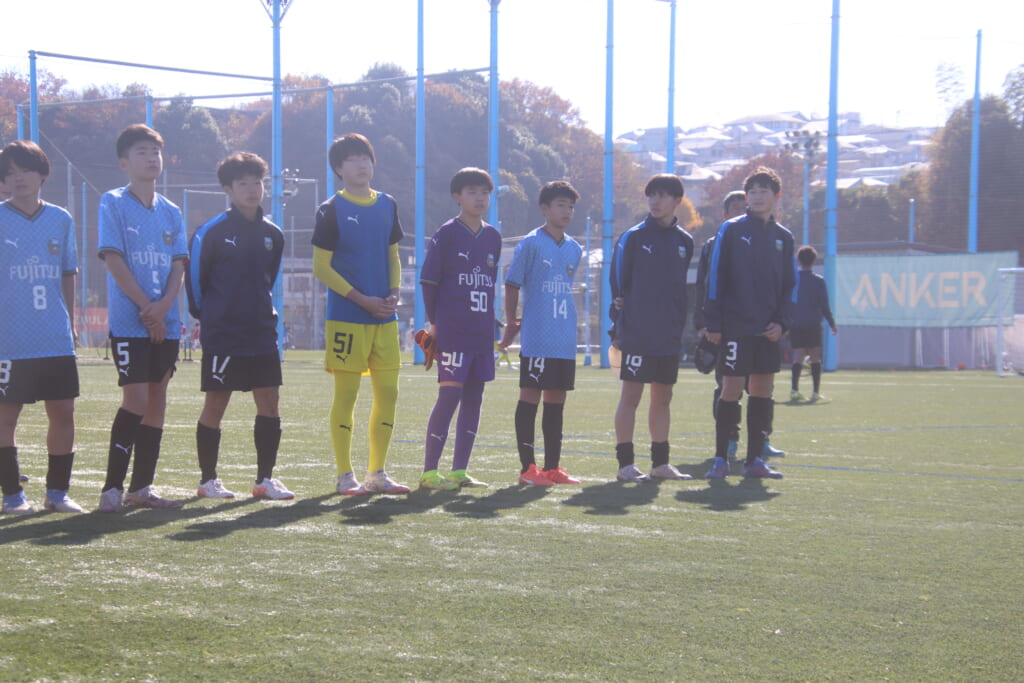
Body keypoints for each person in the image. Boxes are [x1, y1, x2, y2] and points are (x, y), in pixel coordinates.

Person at [186, 152, 293, 501]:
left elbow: (268, 279)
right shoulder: (211, 232)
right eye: (243, 183)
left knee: (270, 403)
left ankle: (265, 480)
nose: (252, 189)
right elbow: (195, 283)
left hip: (261, 332)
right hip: (223, 334)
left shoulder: (273, 234)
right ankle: (208, 481)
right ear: (228, 189)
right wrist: (211, 317)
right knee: (216, 403)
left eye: (257, 182)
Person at [312, 134, 409, 496]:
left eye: (365, 157)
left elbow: (393, 256)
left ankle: (377, 473)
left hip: (384, 317)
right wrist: (360, 298)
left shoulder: (387, 204)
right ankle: (344, 476)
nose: (362, 164)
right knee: (347, 395)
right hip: (347, 317)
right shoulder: (330, 209)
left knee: (389, 393)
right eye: (352, 159)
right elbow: (321, 268)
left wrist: (394, 292)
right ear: (339, 168)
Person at [97, 124, 187, 511]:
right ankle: (111, 488)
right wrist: (146, 307)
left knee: (157, 398)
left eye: (155, 151)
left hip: (166, 321)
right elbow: (113, 258)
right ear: (124, 162)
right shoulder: (113, 202)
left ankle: (141, 488)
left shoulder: (171, 211)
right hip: (129, 319)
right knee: (135, 398)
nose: (151, 158)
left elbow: (178, 264)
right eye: (142, 152)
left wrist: (164, 305)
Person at [0, 141, 82, 514]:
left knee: (63, 412)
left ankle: (57, 494)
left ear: (43, 174)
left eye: (26, 170)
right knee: (6, 417)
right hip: (9, 339)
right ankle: (13, 496)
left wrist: (71, 320)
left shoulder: (61, 219)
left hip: (54, 336)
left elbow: (68, 273)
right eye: (10, 173)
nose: (18, 178)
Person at [703, 167, 795, 480]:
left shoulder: (784, 237)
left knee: (762, 391)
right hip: (736, 327)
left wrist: (782, 323)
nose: (756, 197)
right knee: (731, 388)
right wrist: (713, 321)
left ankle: (754, 460)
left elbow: (789, 286)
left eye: (763, 191)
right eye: (752, 192)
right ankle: (720, 459)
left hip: (768, 331)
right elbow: (715, 276)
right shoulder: (731, 230)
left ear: (776, 196)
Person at [417, 167, 502, 491]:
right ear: (457, 197)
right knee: (449, 395)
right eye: (472, 192)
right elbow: (429, 281)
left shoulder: (493, 237)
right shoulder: (447, 233)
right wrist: (434, 323)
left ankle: (459, 471)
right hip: (452, 330)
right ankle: (429, 472)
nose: (480, 198)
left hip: (481, 333)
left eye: (485, 192)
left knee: (474, 399)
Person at [609, 174, 694, 483]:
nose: (655, 201)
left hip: (668, 335)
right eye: (651, 195)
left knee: (663, 397)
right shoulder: (633, 237)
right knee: (631, 396)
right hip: (637, 333)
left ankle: (660, 464)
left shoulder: (685, 241)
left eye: (662, 195)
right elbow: (618, 285)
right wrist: (618, 319)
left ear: (677, 200)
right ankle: (626, 465)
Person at [500, 180, 583, 486]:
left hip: (564, 337)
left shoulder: (575, 248)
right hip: (537, 336)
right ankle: (528, 468)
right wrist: (512, 321)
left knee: (557, 398)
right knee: (530, 396)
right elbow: (512, 284)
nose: (567, 211)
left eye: (571, 206)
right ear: (545, 208)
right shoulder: (531, 243)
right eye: (561, 205)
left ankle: (552, 467)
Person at [789, 245, 837, 402]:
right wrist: (831, 323)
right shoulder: (818, 281)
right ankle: (815, 392)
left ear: (798, 260)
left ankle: (794, 390)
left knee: (798, 356)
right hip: (813, 323)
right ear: (814, 261)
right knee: (815, 357)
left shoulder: (793, 280)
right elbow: (824, 305)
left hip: (796, 323)